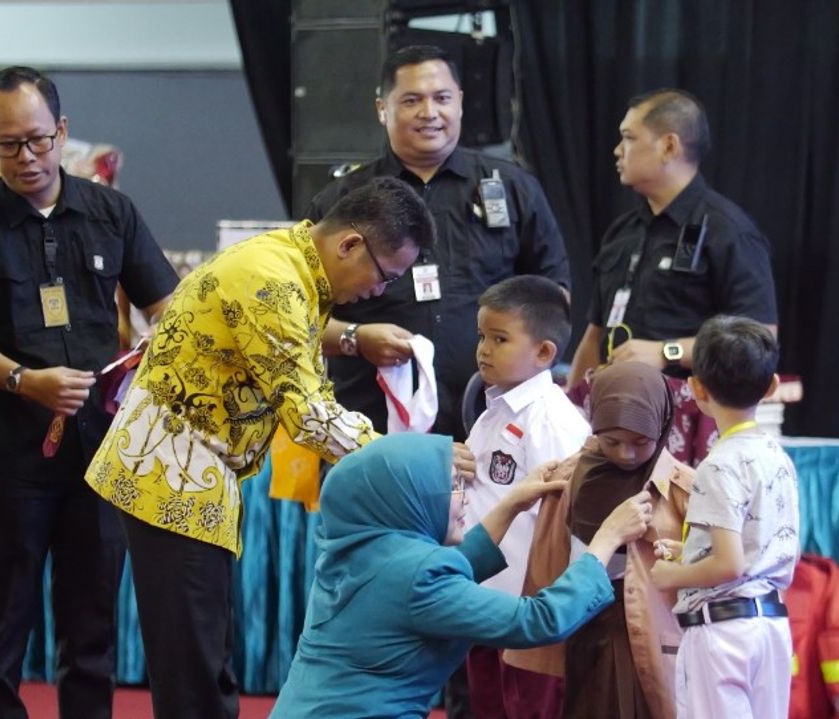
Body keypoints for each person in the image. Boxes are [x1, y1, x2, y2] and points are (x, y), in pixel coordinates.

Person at [84, 177, 465, 719]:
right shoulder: (272, 281)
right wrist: (421, 464)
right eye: (386, 276)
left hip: (189, 474)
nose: (381, 292)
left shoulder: (288, 260)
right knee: (195, 674)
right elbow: (310, 415)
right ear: (350, 245)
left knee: (205, 657)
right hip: (169, 480)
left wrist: (353, 338)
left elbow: (292, 334)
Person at [0, 66, 179, 719]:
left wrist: (158, 359)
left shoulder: (110, 211)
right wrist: (22, 378)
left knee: (92, 623)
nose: (26, 157)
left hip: (101, 450)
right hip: (10, 449)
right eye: (7, 145)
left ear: (61, 132)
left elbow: (168, 306)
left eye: (37, 140)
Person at [269, 433, 654, 718]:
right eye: (450, 485)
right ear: (406, 496)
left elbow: (440, 572)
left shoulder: (359, 549)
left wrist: (513, 504)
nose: (465, 494)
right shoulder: (418, 575)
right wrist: (606, 539)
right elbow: (536, 621)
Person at [308, 44, 570, 442]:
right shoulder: (341, 202)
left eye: (441, 98)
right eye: (411, 100)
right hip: (371, 425)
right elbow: (299, 317)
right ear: (382, 108)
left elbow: (555, 298)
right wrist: (356, 339)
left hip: (496, 424)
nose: (429, 113)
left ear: (460, 102)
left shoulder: (514, 188)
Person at [506, 361, 695, 719]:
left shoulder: (684, 489)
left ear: (663, 423)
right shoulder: (565, 479)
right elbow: (548, 562)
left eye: (641, 442)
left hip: (649, 637)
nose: (626, 453)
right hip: (577, 627)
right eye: (612, 441)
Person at [567, 89, 777, 388]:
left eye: (629, 137)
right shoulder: (624, 230)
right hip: (615, 410)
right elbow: (595, 335)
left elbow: (760, 338)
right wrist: (574, 408)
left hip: (689, 413)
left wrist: (668, 352)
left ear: (668, 146)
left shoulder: (728, 231)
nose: (617, 150)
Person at [649, 315, 799, 719]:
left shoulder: (719, 464)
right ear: (771, 387)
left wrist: (673, 574)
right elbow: (753, 543)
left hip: (722, 633)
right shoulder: (776, 456)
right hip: (770, 627)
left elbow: (730, 564)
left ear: (696, 388)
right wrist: (691, 550)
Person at [463, 275, 591, 718]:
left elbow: (566, 523)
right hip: (483, 601)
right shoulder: (491, 411)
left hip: (526, 613)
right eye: (481, 336)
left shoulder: (553, 421)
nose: (483, 349)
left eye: (499, 339)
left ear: (544, 353)